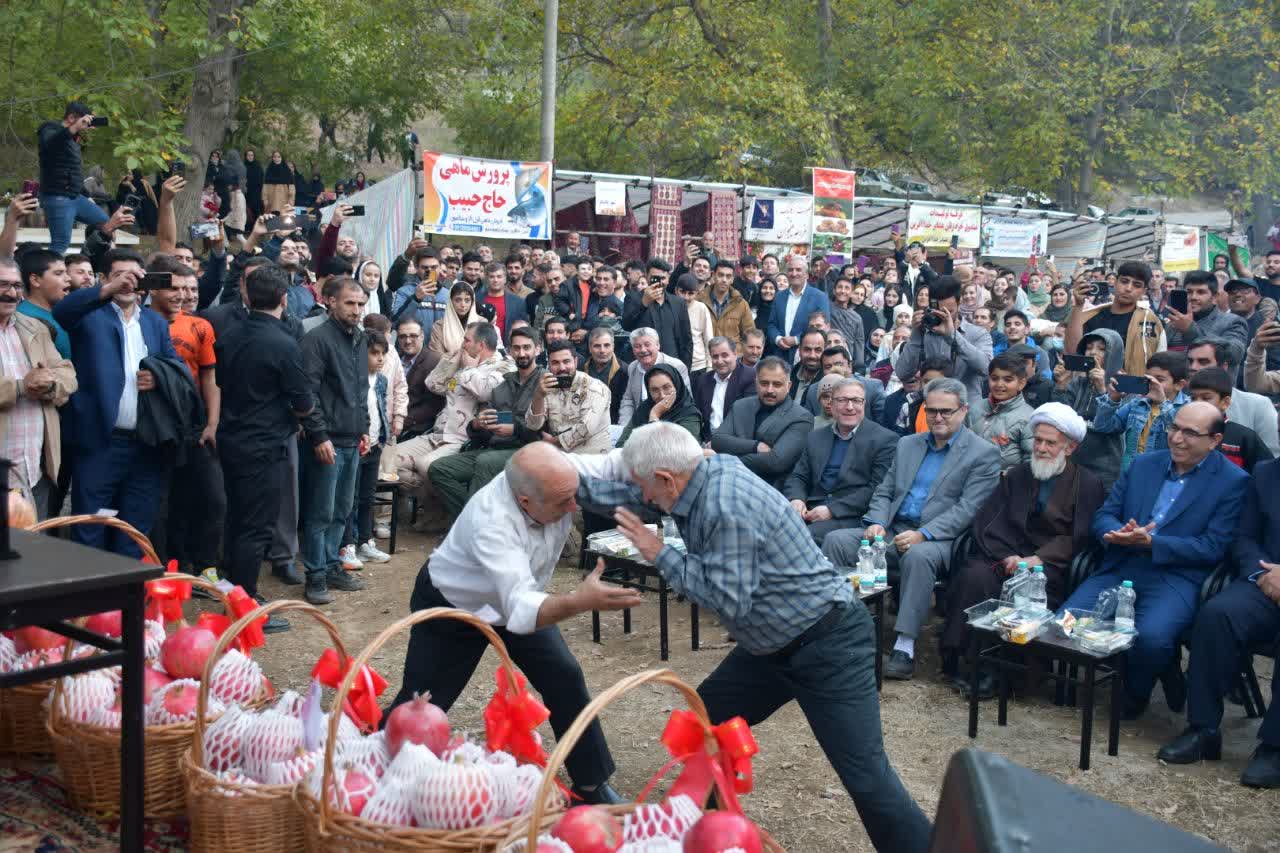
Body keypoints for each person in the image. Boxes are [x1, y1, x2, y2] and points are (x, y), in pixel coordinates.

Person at [592, 423, 932, 852]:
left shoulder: (724, 504)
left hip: (827, 645)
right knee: (710, 715)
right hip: (774, 644)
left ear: (666, 478)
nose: (643, 499)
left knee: (865, 775)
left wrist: (659, 553)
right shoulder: (701, 472)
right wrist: (568, 491)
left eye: (645, 488)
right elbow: (628, 497)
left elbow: (725, 599)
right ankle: (712, 833)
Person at [387, 443, 641, 805]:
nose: (574, 507)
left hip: (524, 596)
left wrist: (687, 459)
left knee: (564, 676)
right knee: (423, 701)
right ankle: (381, 767)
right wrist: (576, 602)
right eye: (562, 502)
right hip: (455, 604)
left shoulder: (559, 474)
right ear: (525, 501)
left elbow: (621, 460)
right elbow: (521, 608)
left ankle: (590, 783)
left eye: (574, 495)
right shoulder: (492, 521)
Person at [1062, 401, 1250, 718]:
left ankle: (1136, 690)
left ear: (1215, 440)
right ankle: (1154, 666)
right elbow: (1104, 514)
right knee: (1065, 623)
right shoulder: (1143, 465)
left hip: (1176, 576)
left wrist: (1154, 543)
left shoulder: (1233, 482)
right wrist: (1115, 532)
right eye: (1174, 427)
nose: (1176, 438)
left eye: (1190, 433)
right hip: (1121, 565)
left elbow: (1213, 547)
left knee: (1152, 638)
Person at [823, 378, 1002, 680]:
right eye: (931, 410)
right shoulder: (908, 444)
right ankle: (837, 629)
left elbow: (968, 509)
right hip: (894, 528)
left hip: (942, 539)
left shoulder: (982, 453)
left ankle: (904, 646)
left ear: (964, 410)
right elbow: (885, 489)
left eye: (946, 411)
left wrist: (924, 534)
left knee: (918, 557)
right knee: (836, 540)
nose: (938, 418)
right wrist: (877, 521)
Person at [939, 403, 1107, 696]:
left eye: (1050, 443)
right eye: (1038, 440)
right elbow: (990, 519)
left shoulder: (1088, 484)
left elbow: (1081, 536)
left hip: (1052, 568)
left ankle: (1000, 672)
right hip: (1005, 556)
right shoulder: (1018, 474)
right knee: (973, 577)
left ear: (1069, 448)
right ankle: (964, 660)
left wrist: (1038, 559)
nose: (1041, 448)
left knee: (1026, 595)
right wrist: (1009, 556)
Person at [1156, 457, 1280, 787]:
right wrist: (1264, 573)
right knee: (1217, 614)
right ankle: (1204, 729)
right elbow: (1243, 537)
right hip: (1265, 581)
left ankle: (1274, 747)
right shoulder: (1267, 472)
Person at [54, 249, 178, 555]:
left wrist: (159, 378)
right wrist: (107, 291)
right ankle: (94, 601)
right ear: (104, 279)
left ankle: (128, 601)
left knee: (134, 532)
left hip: (145, 444)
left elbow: (176, 368)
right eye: (119, 276)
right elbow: (61, 313)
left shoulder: (154, 322)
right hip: (99, 442)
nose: (127, 283)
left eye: (134, 277)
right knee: (90, 528)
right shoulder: (88, 316)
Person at [214, 265, 314, 632]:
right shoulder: (284, 343)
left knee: (239, 519)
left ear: (247, 294)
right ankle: (245, 603)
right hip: (265, 443)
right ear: (284, 299)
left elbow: (222, 381)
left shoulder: (228, 335)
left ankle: (237, 593)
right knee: (256, 527)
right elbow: (304, 403)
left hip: (232, 437)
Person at [145, 256, 226, 585]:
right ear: (155, 288)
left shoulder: (200, 326)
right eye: (174, 287)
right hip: (155, 425)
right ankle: (165, 571)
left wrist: (212, 424)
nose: (181, 294)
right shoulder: (141, 323)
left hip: (194, 425)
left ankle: (207, 567)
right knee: (163, 506)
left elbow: (210, 380)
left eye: (187, 288)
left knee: (213, 498)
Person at [298, 278, 370, 604]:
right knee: (320, 511)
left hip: (352, 437)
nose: (356, 310)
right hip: (326, 440)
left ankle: (330, 566)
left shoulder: (361, 338)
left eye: (360, 304)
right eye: (349, 303)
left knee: (342, 510)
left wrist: (364, 427)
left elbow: (361, 389)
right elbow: (307, 393)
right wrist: (318, 435)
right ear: (331, 302)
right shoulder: (316, 340)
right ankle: (315, 575)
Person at [427, 326, 545, 518]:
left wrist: (515, 429)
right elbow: (493, 421)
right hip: (494, 448)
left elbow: (542, 428)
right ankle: (474, 523)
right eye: (516, 348)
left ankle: (472, 529)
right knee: (439, 469)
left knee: (485, 462)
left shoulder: (544, 382)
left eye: (527, 347)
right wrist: (477, 424)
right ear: (509, 351)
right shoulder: (504, 384)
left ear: (537, 349)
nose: (521, 353)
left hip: (527, 450)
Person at [394, 322, 512, 509]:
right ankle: (433, 503)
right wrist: (451, 361)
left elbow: (486, 392)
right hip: (437, 434)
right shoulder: (463, 363)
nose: (462, 344)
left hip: (462, 440)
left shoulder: (503, 366)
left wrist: (467, 369)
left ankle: (443, 509)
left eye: (466, 340)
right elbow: (433, 384)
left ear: (480, 345)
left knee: (427, 466)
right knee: (388, 459)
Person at [0, 258, 76, 516]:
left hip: (36, 470)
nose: (10, 293)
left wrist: (50, 384)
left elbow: (68, 375)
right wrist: (21, 387)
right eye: (2, 285)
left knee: (30, 551)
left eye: (15, 285)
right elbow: (24, 385)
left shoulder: (33, 327)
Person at [783, 378, 897, 546]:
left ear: (864, 403)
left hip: (850, 516)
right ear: (831, 403)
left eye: (856, 400)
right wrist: (796, 499)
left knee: (801, 537)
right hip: (810, 510)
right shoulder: (815, 436)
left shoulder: (884, 440)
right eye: (842, 400)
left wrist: (831, 510)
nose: (849, 407)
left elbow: (876, 490)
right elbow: (798, 476)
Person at [710, 356, 813, 489]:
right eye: (764, 383)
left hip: (772, 489)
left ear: (788, 386)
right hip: (731, 483)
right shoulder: (740, 406)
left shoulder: (801, 417)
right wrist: (755, 446)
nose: (770, 390)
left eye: (777, 384)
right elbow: (718, 440)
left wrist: (729, 462)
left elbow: (776, 461)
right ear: (756, 382)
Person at [339, 331, 392, 568]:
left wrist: (382, 437)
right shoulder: (352, 378)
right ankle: (347, 545)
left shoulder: (382, 380)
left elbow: (381, 410)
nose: (380, 359)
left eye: (383, 354)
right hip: (356, 444)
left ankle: (365, 542)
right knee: (349, 497)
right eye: (374, 353)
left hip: (375, 444)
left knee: (367, 496)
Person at [893, 275, 993, 403]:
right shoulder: (924, 333)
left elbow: (986, 368)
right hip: (931, 410)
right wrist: (916, 336)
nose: (943, 315)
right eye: (937, 311)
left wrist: (952, 335)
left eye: (949, 311)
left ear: (960, 302)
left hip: (967, 412)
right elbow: (902, 373)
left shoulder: (978, 334)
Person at [1050, 329, 1126, 490]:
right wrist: (1062, 385)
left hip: (1104, 470)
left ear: (1114, 354)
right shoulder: (1078, 383)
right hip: (1072, 463)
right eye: (1089, 347)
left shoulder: (1124, 388)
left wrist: (1102, 390)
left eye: (1101, 348)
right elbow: (1060, 419)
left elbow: (1112, 426)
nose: (1093, 352)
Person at [1091, 350, 1189, 472]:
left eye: (1160, 379)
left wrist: (1163, 403)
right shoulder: (1137, 403)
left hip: (1162, 477)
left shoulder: (1188, 408)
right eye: (1148, 378)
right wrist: (1112, 399)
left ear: (1179, 385)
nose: (1152, 383)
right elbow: (1103, 427)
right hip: (1130, 474)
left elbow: (1183, 438)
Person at [1066, 260, 1166, 377]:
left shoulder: (1151, 323)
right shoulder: (1091, 316)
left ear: (1144, 291)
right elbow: (1073, 353)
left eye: (1136, 285)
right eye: (1124, 281)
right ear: (1116, 282)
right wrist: (1078, 305)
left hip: (1132, 391)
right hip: (1089, 387)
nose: (1128, 288)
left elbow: (1159, 366)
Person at [37, 102, 110, 254]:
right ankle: (48, 274)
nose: (87, 126)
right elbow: (50, 144)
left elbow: (73, 172)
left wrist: (86, 195)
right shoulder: (49, 129)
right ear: (71, 117)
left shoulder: (72, 139)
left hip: (75, 196)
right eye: (84, 121)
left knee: (107, 224)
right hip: (58, 196)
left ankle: (89, 260)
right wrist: (75, 128)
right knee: (60, 243)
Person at [1186, 339, 1279, 455]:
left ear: (1224, 367)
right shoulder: (1178, 406)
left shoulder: (1258, 405)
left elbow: (1273, 458)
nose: (1193, 367)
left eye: (1203, 362)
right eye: (1190, 361)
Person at [525, 340, 613, 453]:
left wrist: (553, 442)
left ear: (575, 362)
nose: (562, 367)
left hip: (592, 458)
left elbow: (586, 428)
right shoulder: (547, 386)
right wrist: (538, 396)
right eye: (555, 363)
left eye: (566, 361)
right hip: (559, 456)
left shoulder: (595, 387)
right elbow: (533, 425)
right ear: (549, 365)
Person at [1184, 367, 1272, 472]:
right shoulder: (1181, 432)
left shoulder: (1244, 436)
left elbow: (1268, 473)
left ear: (1225, 403)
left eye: (1206, 398)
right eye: (1193, 398)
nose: (1197, 403)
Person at [966, 351, 1035, 470]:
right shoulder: (975, 408)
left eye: (1008, 380)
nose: (999, 384)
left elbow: (1030, 460)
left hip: (1005, 484)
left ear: (1021, 383)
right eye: (994, 378)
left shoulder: (1028, 418)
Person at [1164, 272, 1249, 367]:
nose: (1193, 297)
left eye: (1201, 292)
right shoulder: (1172, 324)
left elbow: (1234, 355)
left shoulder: (1232, 322)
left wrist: (1190, 330)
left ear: (1215, 297)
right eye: (1189, 292)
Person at [622, 259, 692, 367]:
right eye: (655, 278)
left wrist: (685, 368)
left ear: (668, 279)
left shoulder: (678, 303)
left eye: (663, 278)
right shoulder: (633, 298)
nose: (659, 282)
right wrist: (644, 304)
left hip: (672, 365)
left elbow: (686, 340)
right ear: (646, 277)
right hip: (644, 364)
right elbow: (626, 325)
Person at [617, 327, 690, 426]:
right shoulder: (633, 367)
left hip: (669, 423)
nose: (643, 350)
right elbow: (628, 400)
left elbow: (685, 403)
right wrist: (624, 427)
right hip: (639, 423)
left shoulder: (676, 366)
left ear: (658, 345)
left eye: (647, 345)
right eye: (637, 346)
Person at [619, 363, 702, 446]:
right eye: (654, 390)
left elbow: (678, 451)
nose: (662, 395)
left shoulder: (689, 414)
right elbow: (621, 444)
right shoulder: (644, 409)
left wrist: (654, 416)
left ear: (677, 385)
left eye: (666, 387)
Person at [768, 256, 831, 359]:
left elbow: (822, 328)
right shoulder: (779, 296)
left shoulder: (819, 297)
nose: (794, 273)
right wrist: (778, 339)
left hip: (806, 357)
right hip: (779, 355)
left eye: (798, 270)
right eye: (790, 270)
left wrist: (797, 339)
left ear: (806, 274)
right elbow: (771, 324)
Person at [692, 337, 755, 439]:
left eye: (724, 355)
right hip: (707, 440)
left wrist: (719, 443)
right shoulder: (703, 381)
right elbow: (698, 416)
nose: (720, 361)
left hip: (735, 440)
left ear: (735, 354)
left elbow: (746, 420)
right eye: (715, 357)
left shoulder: (749, 377)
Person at [16, 248, 71, 359]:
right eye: (58, 273)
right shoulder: (23, 318)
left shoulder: (58, 313)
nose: (68, 278)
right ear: (35, 280)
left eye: (66, 273)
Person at [698, 259, 755, 349]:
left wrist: (739, 354)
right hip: (706, 355)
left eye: (728, 276)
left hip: (733, 358)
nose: (724, 280)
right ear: (713, 275)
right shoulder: (699, 300)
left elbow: (750, 334)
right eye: (720, 275)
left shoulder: (741, 304)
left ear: (732, 279)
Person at [674, 274, 715, 378]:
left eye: (690, 293)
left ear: (696, 294)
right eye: (682, 292)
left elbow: (708, 338)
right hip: (675, 364)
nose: (686, 297)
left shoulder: (701, 308)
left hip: (698, 366)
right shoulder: (670, 307)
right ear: (676, 290)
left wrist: (710, 366)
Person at [584, 327, 627, 424]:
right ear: (590, 348)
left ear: (613, 346)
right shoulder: (580, 368)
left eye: (607, 345)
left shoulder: (624, 371)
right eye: (597, 346)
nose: (602, 350)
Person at [427, 281, 481, 356]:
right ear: (450, 301)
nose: (463, 305)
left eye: (467, 300)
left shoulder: (482, 323)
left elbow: (487, 353)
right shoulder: (439, 326)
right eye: (458, 300)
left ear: (472, 302)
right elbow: (436, 357)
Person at [827, 278, 867, 374]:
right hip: (827, 356)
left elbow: (859, 342)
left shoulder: (856, 318)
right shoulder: (826, 308)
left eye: (847, 288)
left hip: (846, 361)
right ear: (834, 290)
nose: (843, 291)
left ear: (852, 293)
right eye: (840, 287)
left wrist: (858, 366)